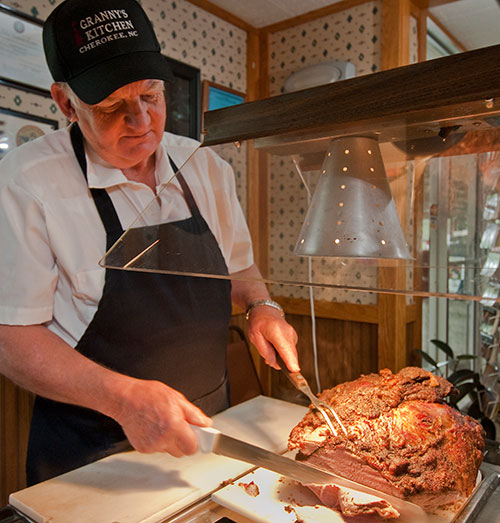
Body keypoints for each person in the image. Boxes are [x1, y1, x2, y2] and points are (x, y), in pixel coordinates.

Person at [0, 0, 299, 485]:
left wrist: (263, 307)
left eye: (152, 97)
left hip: (208, 432)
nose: (141, 122)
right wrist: (123, 399)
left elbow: (241, 272)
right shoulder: (26, 182)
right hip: (93, 447)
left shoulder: (206, 168)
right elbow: (12, 340)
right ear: (64, 102)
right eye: (112, 107)